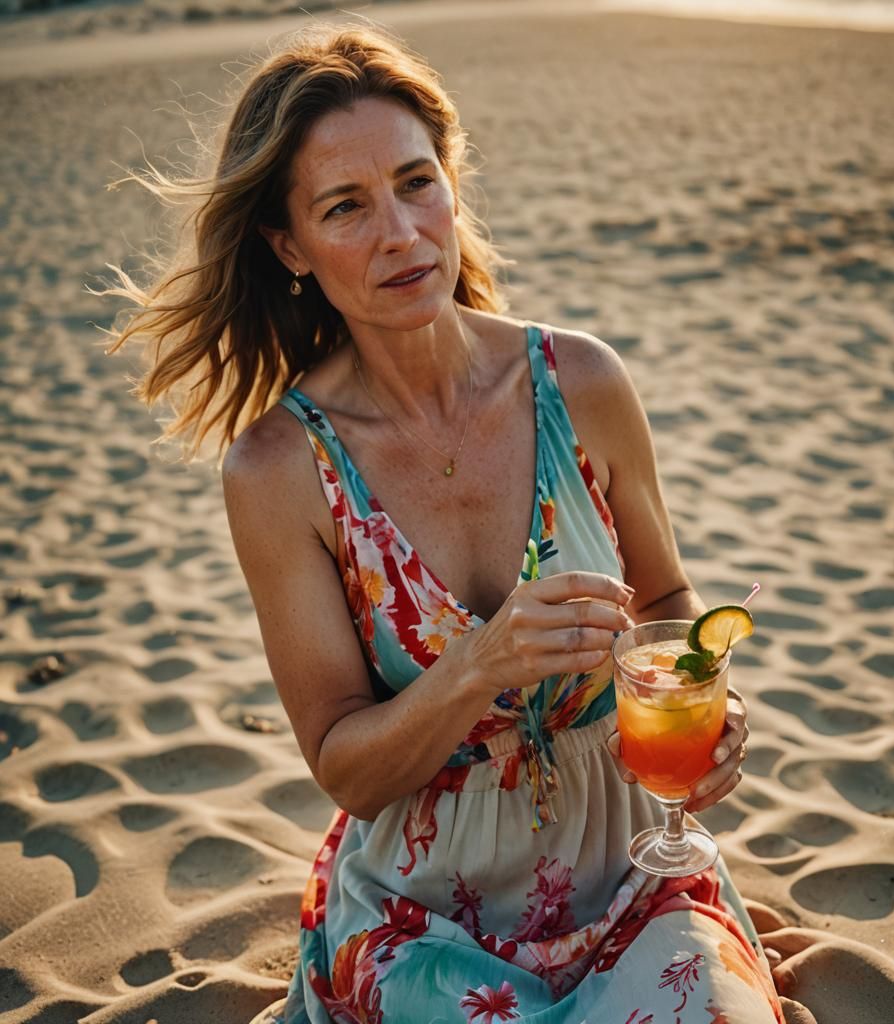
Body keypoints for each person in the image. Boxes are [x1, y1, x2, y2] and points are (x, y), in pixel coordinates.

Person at [105, 22, 812, 1024]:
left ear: (450, 183)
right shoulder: (280, 467)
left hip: (631, 867)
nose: (399, 231)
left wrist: (705, 698)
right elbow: (345, 764)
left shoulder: (583, 381)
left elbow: (664, 600)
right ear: (287, 245)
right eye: (345, 206)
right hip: (423, 905)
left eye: (415, 182)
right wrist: (478, 665)